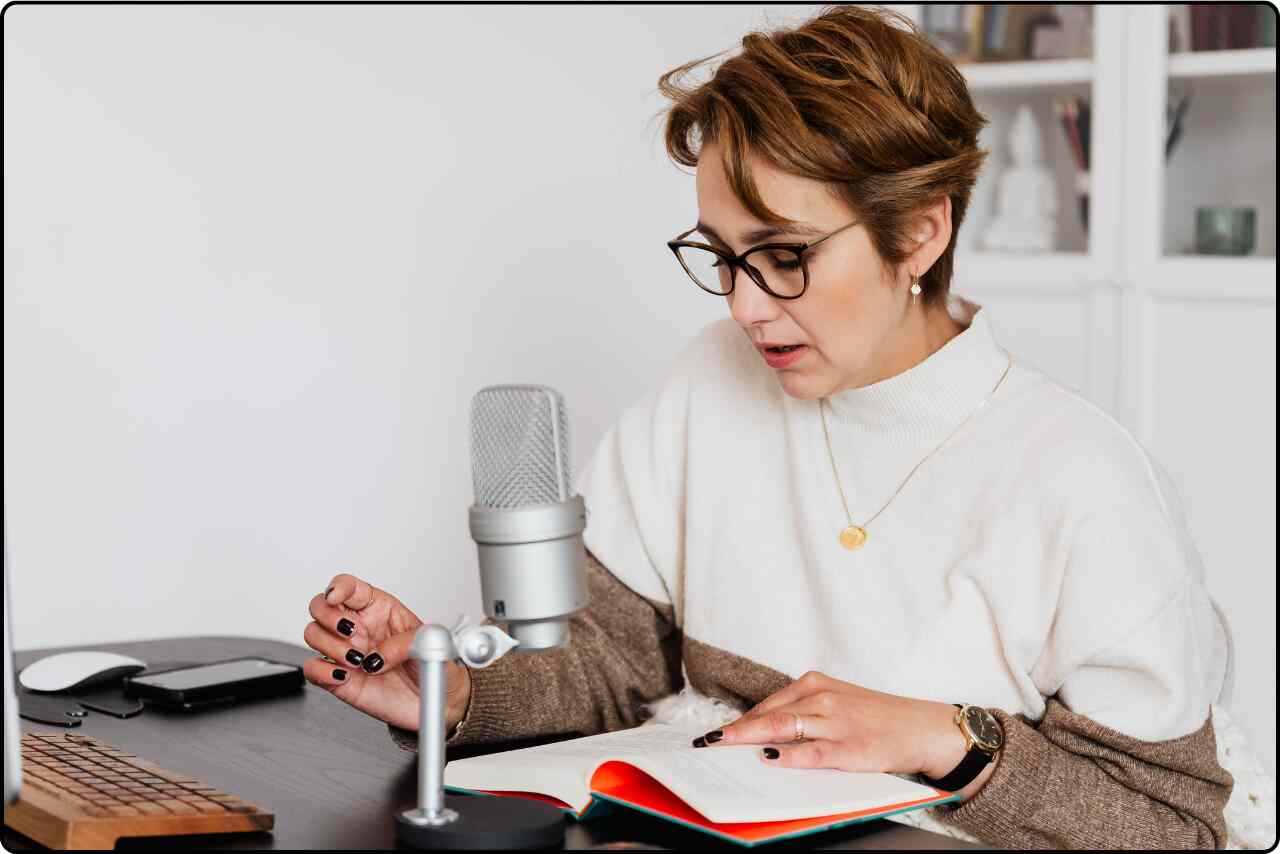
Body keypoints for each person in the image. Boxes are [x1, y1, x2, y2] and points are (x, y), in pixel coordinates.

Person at [301, 6, 1235, 849]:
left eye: (784, 257)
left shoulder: (1085, 481)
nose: (747, 308)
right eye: (722, 256)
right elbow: (613, 663)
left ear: (919, 233)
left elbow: (1174, 826)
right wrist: (452, 693)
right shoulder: (709, 384)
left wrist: (947, 735)